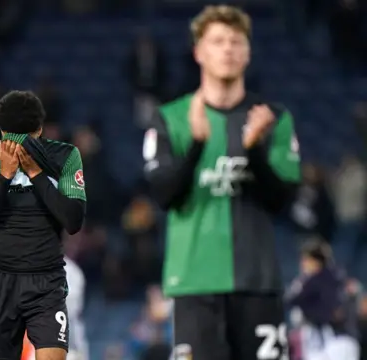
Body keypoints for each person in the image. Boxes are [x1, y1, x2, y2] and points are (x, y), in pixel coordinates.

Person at [142, 5, 301, 360]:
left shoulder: (272, 119)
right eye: (217, 41)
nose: (227, 49)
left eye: (235, 41)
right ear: (199, 52)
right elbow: (164, 196)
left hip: (257, 283)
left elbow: (281, 202)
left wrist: (255, 152)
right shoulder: (171, 119)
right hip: (195, 284)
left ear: (247, 52)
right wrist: (197, 144)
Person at [0, 90, 87, 360]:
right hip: (0, 282)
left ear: (40, 132)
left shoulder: (64, 156)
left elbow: (73, 221)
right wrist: (5, 177)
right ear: (1, 134)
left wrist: (36, 174)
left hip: (46, 282)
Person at [286, 240, 360, 360]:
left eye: (306, 260)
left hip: (332, 341)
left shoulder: (315, 281)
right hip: (344, 341)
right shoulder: (340, 277)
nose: (303, 264)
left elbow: (291, 301)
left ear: (316, 261)